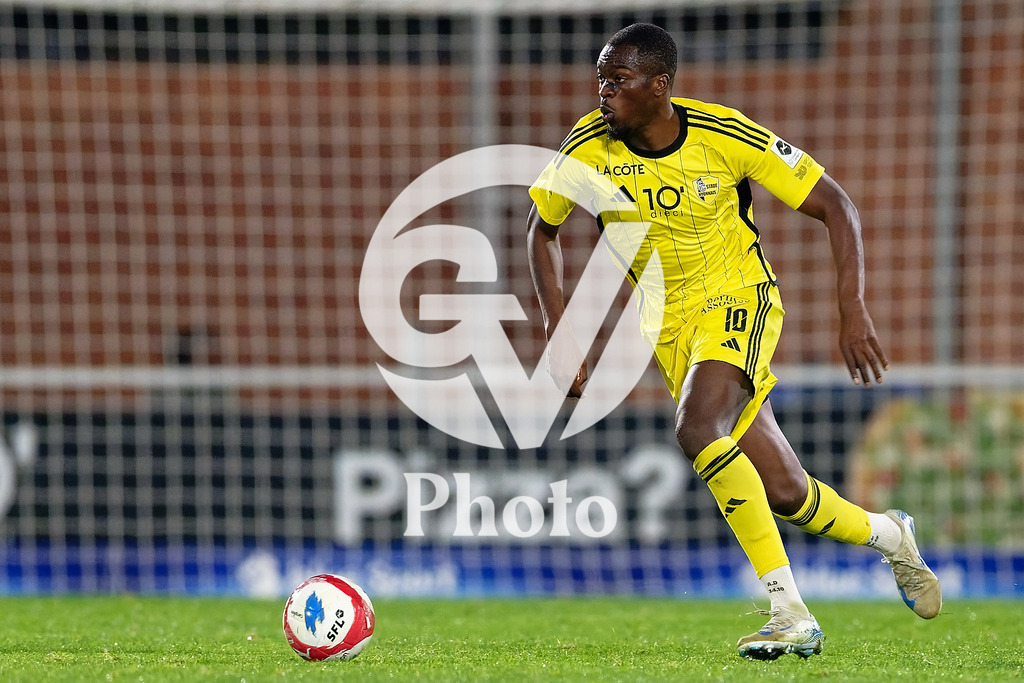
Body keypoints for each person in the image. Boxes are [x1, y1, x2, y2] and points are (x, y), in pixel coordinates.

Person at [527, 23, 941, 660]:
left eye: (618, 81)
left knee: (697, 429)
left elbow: (836, 205)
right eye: (601, 80)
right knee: (787, 492)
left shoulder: (725, 134)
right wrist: (559, 328)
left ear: (659, 86)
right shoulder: (587, 147)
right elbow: (541, 231)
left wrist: (851, 308)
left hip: (739, 300)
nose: (602, 92)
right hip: (668, 327)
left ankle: (790, 613)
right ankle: (890, 534)